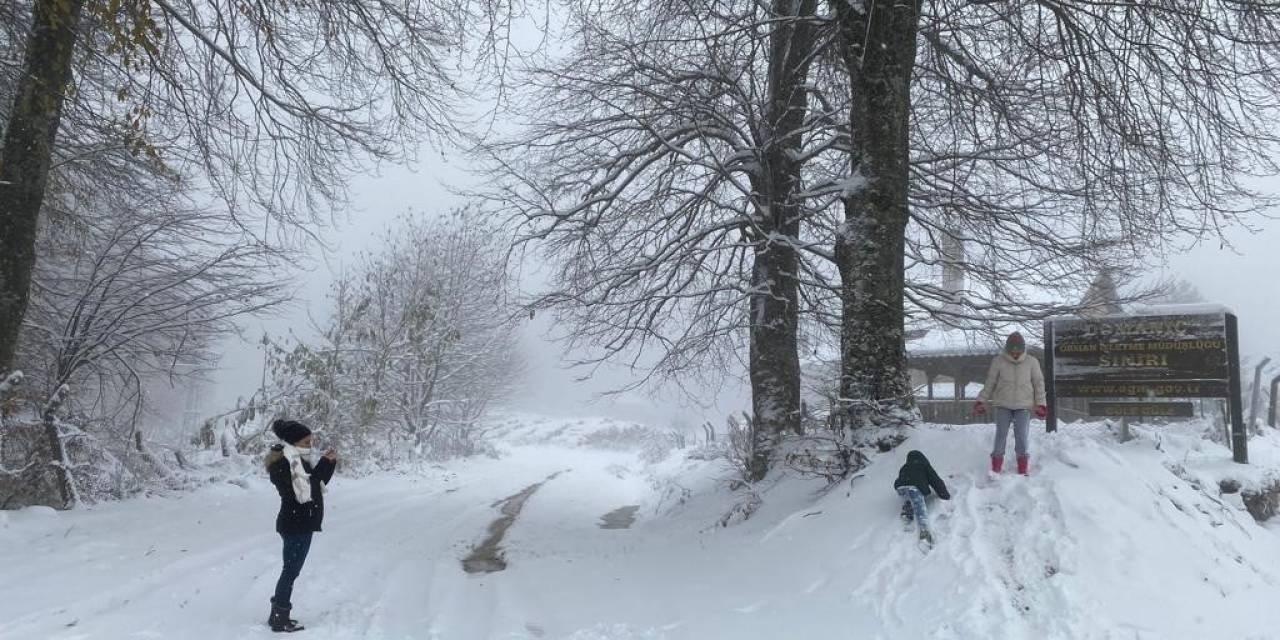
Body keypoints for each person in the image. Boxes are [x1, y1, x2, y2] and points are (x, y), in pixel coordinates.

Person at [264, 419, 337, 633]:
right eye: (306, 442)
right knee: (290, 571)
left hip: (300, 523)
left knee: (291, 571)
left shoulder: (296, 461)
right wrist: (324, 464)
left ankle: (277, 615)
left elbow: (314, 482)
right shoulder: (284, 464)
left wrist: (328, 463)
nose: (310, 446)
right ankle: (279, 618)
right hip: (295, 524)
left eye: (311, 442)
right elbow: (303, 493)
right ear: (293, 442)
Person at [974, 331, 1047, 475]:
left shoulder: (1032, 362)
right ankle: (996, 466)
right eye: (1012, 351)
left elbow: (1039, 383)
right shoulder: (999, 361)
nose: (1015, 354)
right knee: (1000, 434)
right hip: (1003, 404)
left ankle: (1022, 467)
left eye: (1018, 351)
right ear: (1007, 349)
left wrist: (1041, 404)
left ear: (1022, 349)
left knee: (1021, 435)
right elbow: (991, 382)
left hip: (1023, 405)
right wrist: (981, 400)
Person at [894, 450, 951, 544]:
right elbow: (935, 481)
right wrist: (945, 495)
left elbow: (901, 479)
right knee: (919, 507)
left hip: (900, 487)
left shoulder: (905, 467)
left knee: (907, 496)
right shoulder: (924, 465)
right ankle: (924, 532)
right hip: (914, 488)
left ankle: (907, 510)